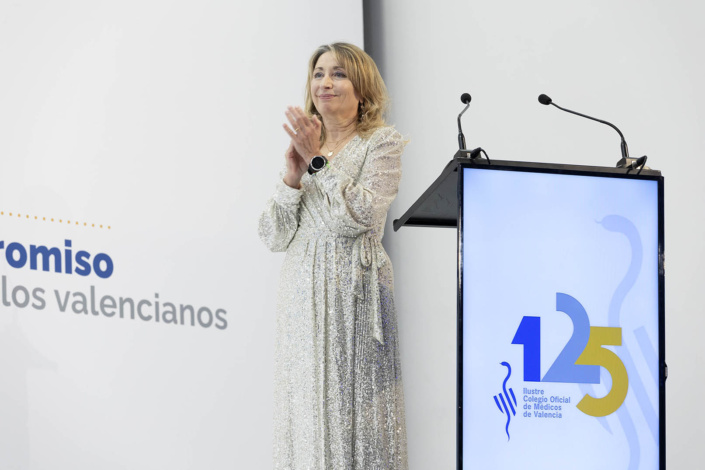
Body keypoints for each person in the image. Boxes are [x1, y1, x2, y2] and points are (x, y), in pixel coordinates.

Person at [258, 43, 408, 469]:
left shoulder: (381, 142)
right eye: (318, 73)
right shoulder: (307, 149)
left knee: (355, 417)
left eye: (338, 74)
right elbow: (273, 235)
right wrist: (292, 177)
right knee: (306, 412)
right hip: (301, 295)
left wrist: (317, 162)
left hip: (355, 293)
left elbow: (361, 216)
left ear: (362, 88)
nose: (325, 82)